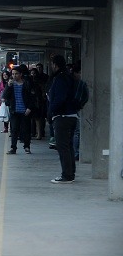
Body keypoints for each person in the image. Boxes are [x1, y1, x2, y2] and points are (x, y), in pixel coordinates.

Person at [47, 55, 79, 183]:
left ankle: (66, 175)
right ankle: (71, 173)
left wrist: (51, 111)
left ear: (55, 64)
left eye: (52, 64)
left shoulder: (60, 79)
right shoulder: (70, 77)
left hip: (62, 117)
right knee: (68, 146)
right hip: (72, 116)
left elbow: (60, 98)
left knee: (62, 146)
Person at [2, 66, 36, 154]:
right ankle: (13, 147)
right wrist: (8, 86)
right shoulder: (11, 84)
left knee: (26, 130)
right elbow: (5, 96)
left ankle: (27, 146)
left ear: (21, 74)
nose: (14, 76)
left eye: (16, 74)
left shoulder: (27, 84)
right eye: (13, 74)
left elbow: (32, 97)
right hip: (14, 111)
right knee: (14, 130)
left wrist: (29, 108)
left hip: (25, 111)